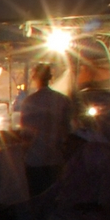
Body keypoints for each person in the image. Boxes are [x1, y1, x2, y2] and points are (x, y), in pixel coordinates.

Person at [19, 63, 70, 198]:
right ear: (50, 78)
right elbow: (67, 129)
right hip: (56, 158)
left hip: (35, 159)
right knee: (55, 198)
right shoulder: (62, 100)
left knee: (37, 198)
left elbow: (26, 133)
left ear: (35, 77)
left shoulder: (30, 101)